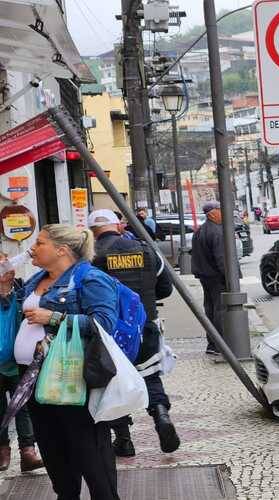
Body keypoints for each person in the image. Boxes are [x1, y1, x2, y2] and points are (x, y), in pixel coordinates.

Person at [1, 224, 120, 499]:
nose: (33, 248)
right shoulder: (38, 278)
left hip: (72, 373)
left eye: (40, 243)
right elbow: (19, 317)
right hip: (32, 376)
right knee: (53, 449)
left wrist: (53, 318)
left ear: (61, 250)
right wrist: (6, 290)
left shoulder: (89, 278)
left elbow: (103, 323)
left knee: (88, 448)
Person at [88, 209, 180, 458]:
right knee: (150, 375)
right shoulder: (147, 249)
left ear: (91, 231)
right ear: (118, 225)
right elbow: (166, 288)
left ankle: (124, 439)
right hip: (145, 325)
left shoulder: (90, 255)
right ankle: (161, 415)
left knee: (112, 380)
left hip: (108, 331)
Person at [0, 254, 43, 473]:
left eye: (6, 262)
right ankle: (2, 449)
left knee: (23, 404)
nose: (7, 267)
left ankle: (28, 451)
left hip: (18, 360)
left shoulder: (22, 290)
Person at [192, 201, 240, 356]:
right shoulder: (218, 232)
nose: (223, 213)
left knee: (211, 309)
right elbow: (222, 259)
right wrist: (231, 279)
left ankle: (212, 344)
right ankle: (220, 344)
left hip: (206, 276)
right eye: (221, 210)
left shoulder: (200, 230)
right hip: (217, 278)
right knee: (220, 310)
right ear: (212, 213)